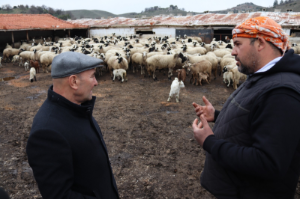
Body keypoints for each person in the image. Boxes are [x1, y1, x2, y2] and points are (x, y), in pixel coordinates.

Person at [192, 16, 300, 198]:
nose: (232, 52)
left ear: (259, 43)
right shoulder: (263, 77)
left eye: (237, 44)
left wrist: (210, 142)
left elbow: (267, 162)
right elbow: (258, 120)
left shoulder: (282, 93)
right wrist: (217, 115)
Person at [26, 52, 119, 199]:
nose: (96, 82)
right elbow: (59, 195)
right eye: (92, 76)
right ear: (73, 82)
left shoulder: (77, 109)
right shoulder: (47, 132)